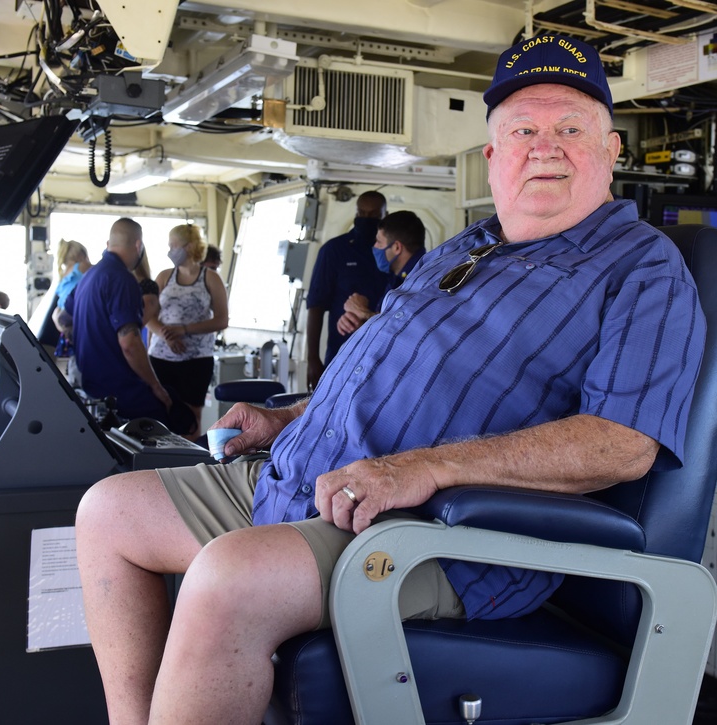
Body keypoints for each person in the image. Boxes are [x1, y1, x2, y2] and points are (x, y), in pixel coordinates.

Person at [74, 34, 706, 725]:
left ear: (612, 151)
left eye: (571, 128)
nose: (545, 146)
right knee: (107, 512)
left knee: (227, 582)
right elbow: (389, 369)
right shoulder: (468, 244)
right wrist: (285, 418)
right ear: (494, 158)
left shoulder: (642, 268)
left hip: (434, 531)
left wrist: (423, 470)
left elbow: (623, 443)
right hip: (308, 475)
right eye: (524, 130)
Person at [66, 218, 180, 428]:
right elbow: (129, 344)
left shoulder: (88, 276)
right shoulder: (121, 279)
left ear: (109, 243)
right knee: (168, 418)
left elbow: (64, 314)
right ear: (138, 245)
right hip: (118, 389)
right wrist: (155, 386)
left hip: (90, 385)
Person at [147, 224, 229, 437]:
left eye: (174, 245)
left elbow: (222, 320)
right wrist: (166, 334)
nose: (170, 250)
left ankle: (188, 467)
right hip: (160, 359)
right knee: (159, 416)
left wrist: (184, 330)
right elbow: (148, 317)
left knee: (191, 420)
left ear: (190, 246)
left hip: (196, 361)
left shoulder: (210, 278)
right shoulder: (164, 276)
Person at [306, 190, 388, 390]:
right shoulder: (334, 251)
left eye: (374, 215)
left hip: (384, 352)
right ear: (356, 213)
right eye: (362, 214)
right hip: (341, 350)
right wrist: (312, 359)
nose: (366, 219)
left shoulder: (391, 253)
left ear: (385, 216)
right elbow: (316, 306)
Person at [336, 210, 427, 336]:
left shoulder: (422, 280)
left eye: (379, 242)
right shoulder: (396, 278)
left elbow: (407, 329)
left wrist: (362, 312)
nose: (375, 246)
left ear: (396, 248)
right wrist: (358, 323)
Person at [51, 240, 92, 356]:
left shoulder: (63, 276)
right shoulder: (82, 266)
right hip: (77, 320)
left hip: (65, 326)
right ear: (82, 255)